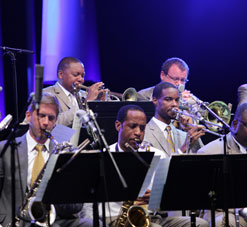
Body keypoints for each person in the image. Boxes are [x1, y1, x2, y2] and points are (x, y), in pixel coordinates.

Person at [80, 104, 209, 227]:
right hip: (113, 218)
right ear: (118, 126)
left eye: (142, 128)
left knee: (200, 223)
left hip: (149, 216)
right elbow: (87, 205)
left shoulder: (156, 155)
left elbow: (171, 194)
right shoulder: (103, 157)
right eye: (133, 126)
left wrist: (155, 198)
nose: (138, 132)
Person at [0, 92, 92, 227]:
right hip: (14, 221)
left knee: (90, 224)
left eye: (51, 118)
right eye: (41, 116)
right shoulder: (5, 149)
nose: (45, 123)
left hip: (52, 221)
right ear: (28, 116)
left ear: (55, 122)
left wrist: (52, 201)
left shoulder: (65, 153)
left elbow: (76, 206)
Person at [144, 82, 205, 156]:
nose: (175, 104)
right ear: (155, 100)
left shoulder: (184, 135)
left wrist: (190, 130)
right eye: (168, 99)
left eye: (176, 100)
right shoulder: (144, 133)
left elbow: (201, 157)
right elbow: (157, 165)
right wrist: (183, 149)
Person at [44, 57, 105, 127]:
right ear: (61, 74)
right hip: (61, 137)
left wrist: (101, 104)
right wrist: (86, 103)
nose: (81, 79)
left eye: (83, 76)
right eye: (76, 75)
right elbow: (52, 123)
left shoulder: (85, 95)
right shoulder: (46, 94)